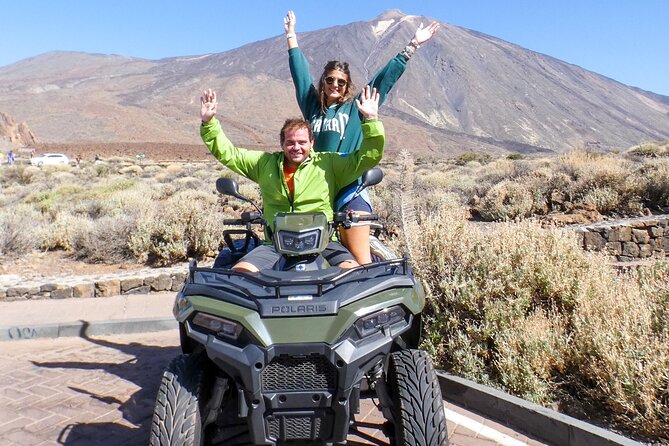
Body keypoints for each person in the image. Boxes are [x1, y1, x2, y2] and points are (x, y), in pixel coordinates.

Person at [283, 10, 439, 265]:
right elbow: (299, 75)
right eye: (330, 80)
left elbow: (383, 80)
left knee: (358, 261)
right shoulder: (312, 107)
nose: (335, 85)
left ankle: (374, 263)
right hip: (317, 189)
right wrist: (291, 36)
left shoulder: (356, 106)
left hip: (348, 188)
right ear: (323, 82)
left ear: (347, 86)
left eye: (341, 82)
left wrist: (412, 46)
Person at [200, 85, 384, 273]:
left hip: (325, 245)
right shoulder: (264, 164)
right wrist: (209, 123)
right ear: (282, 144)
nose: (296, 147)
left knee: (351, 273)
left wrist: (371, 120)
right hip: (275, 246)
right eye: (290, 142)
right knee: (241, 274)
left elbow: (368, 157)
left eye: (302, 142)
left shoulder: (328, 163)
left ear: (312, 143)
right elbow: (229, 154)